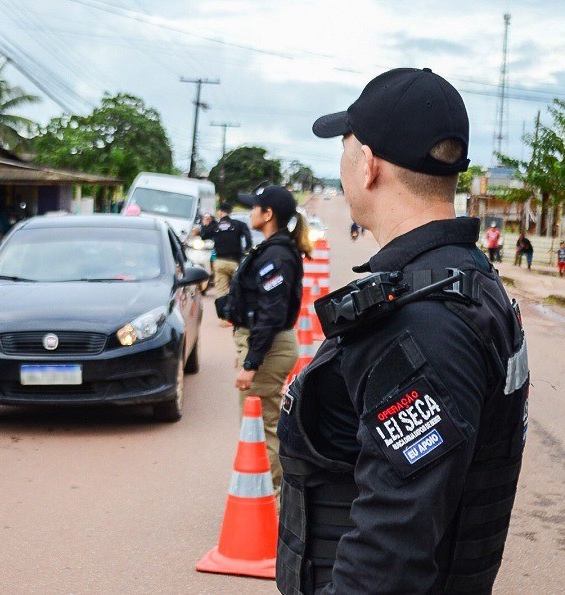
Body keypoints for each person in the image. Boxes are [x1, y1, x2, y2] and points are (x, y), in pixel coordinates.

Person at [277, 68, 530, 594]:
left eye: (346, 148)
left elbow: (388, 558)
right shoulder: (467, 281)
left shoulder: (421, 321)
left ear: (367, 165)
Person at [216, 185, 311, 496]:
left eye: (255, 207)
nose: (251, 211)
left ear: (268, 215)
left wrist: (252, 361)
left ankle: (272, 501)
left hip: (269, 348)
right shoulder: (272, 249)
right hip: (264, 344)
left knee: (261, 428)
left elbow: (271, 313)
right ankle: (268, 497)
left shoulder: (277, 255)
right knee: (258, 425)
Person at [200, 201, 252, 303]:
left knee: (222, 295)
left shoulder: (215, 227)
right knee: (239, 293)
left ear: (220, 212)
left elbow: (203, 236)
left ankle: (224, 317)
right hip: (235, 263)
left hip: (220, 263)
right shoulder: (239, 225)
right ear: (230, 212)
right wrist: (246, 250)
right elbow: (248, 238)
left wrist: (205, 225)